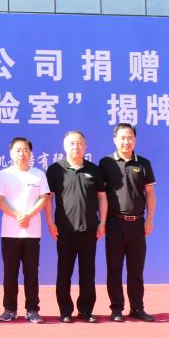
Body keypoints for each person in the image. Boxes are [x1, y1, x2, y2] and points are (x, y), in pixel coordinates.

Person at [46, 130, 107, 323]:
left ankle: (86, 310)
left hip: (89, 229)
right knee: (64, 272)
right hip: (64, 230)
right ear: (64, 146)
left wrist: (102, 222)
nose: (76, 146)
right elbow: (48, 198)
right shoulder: (55, 169)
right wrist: (50, 222)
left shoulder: (94, 169)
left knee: (88, 273)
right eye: (71, 143)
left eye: (79, 143)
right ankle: (65, 310)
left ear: (85, 146)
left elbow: (102, 197)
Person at [99, 123, 157, 323]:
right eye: (122, 138)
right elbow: (101, 195)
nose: (126, 141)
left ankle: (137, 307)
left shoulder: (143, 163)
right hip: (114, 223)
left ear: (135, 139)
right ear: (115, 140)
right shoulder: (106, 163)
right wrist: (102, 222)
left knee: (136, 269)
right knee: (114, 269)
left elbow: (150, 193)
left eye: (130, 137)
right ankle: (116, 308)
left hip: (137, 223)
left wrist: (149, 219)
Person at [0, 137, 49, 324]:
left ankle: (32, 309)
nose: (21, 153)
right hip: (10, 232)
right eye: (17, 150)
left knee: (31, 272)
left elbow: (44, 198)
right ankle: (9, 309)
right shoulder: (3, 174)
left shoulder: (38, 174)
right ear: (11, 153)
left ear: (30, 153)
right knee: (10, 272)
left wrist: (29, 215)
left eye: (25, 150)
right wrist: (17, 215)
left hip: (32, 232)